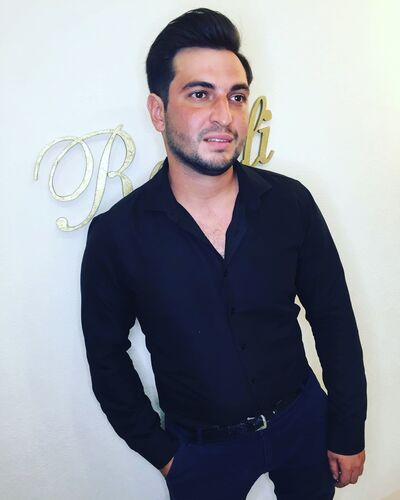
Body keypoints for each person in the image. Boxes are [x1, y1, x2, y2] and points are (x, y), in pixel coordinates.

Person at [80, 8, 367, 500]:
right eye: (200, 94)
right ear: (158, 111)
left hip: (303, 424)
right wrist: (164, 454)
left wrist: (347, 428)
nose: (224, 114)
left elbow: (334, 317)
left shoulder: (290, 203)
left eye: (236, 96)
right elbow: (105, 356)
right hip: (200, 452)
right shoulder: (117, 234)